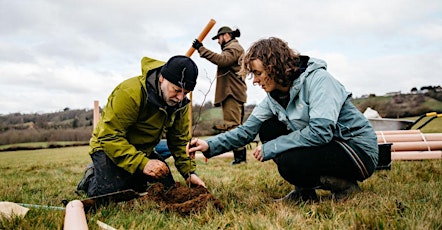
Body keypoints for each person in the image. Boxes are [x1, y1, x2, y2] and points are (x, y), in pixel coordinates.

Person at [187, 37, 378, 202]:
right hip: (327, 147)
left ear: (276, 68)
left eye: (258, 73)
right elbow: (246, 131)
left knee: (290, 159)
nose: (254, 81)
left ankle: (344, 186)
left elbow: (320, 132)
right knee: (268, 127)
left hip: (356, 151)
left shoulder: (319, 80)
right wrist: (210, 145)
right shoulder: (273, 98)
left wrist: (274, 146)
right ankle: (304, 192)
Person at [76, 55, 206, 197]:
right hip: (108, 147)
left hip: (144, 151)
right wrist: (143, 163)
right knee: (111, 195)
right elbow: (109, 136)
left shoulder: (180, 103)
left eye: (186, 93)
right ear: (162, 78)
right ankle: (90, 177)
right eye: (176, 90)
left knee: (165, 190)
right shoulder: (129, 93)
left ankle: (134, 177)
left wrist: (189, 173)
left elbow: (179, 140)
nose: (180, 97)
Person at [191, 26, 247, 165]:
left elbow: (222, 60)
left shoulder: (234, 47)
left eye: (219, 38)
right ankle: (239, 157)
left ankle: (240, 159)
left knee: (233, 126)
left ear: (226, 35)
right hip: (232, 92)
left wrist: (201, 49)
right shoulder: (233, 47)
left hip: (232, 93)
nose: (218, 42)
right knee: (234, 126)